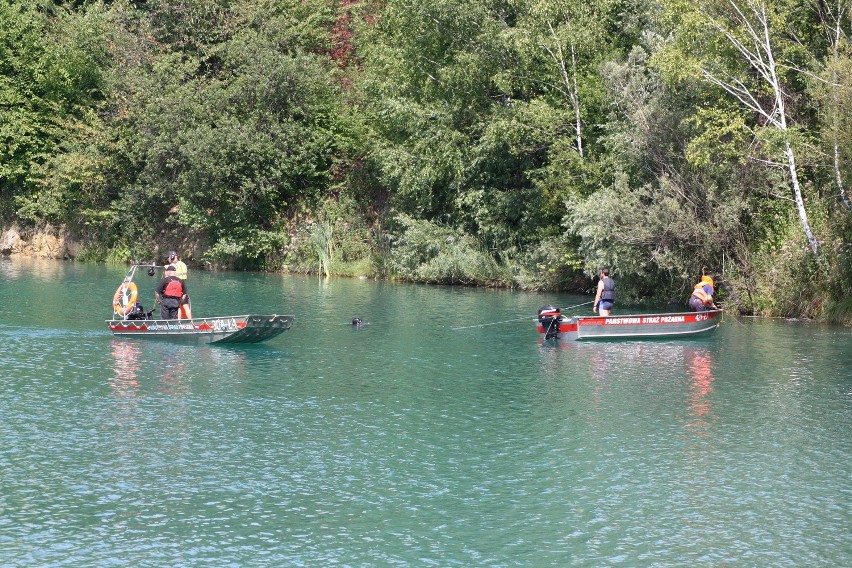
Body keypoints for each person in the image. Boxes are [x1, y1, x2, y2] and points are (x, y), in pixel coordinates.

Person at [167, 250, 191, 318]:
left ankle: (178, 322)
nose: (167, 259)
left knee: (177, 306)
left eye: (168, 257)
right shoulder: (183, 264)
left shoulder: (172, 266)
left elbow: (169, 278)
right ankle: (191, 321)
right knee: (185, 305)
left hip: (177, 287)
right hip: (184, 286)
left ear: (171, 257)